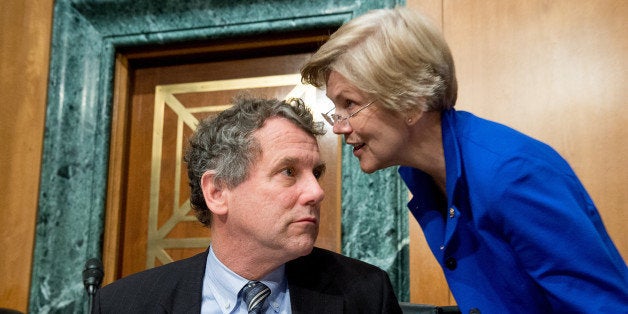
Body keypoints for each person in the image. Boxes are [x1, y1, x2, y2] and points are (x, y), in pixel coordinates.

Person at [300, 6, 628, 314]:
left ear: (410, 100)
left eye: (350, 103)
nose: (339, 127)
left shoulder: (511, 175)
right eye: (336, 108)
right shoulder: (427, 179)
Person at [92, 95, 402, 313]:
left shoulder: (366, 293)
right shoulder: (124, 304)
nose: (316, 192)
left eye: (316, 173)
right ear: (218, 192)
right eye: (289, 172)